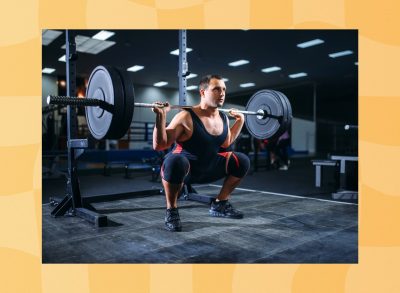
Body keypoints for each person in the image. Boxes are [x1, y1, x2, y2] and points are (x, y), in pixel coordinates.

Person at [152, 74, 250, 232]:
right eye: (216, 89)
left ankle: (220, 204)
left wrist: (240, 122)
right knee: (174, 161)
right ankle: (172, 210)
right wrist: (161, 117)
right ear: (203, 92)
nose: (222, 93)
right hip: (185, 172)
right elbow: (160, 145)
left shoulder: (223, 118)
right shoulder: (185, 116)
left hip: (209, 168)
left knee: (242, 160)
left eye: (224, 89)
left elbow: (226, 141)